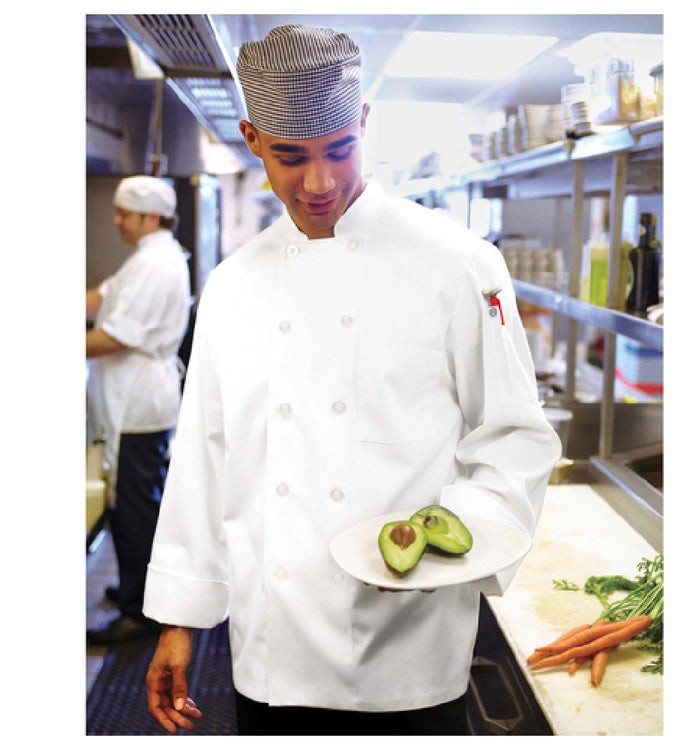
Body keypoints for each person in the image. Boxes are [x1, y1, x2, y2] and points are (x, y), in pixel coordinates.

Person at [143, 25, 560, 735]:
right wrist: (179, 617)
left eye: (339, 148)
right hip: (273, 651)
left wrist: (451, 540)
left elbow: (513, 435)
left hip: (412, 646)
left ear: (364, 121)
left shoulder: (457, 262)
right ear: (252, 139)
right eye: (291, 156)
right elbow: (205, 460)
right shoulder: (232, 286)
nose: (320, 182)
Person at [86, 176, 191, 645]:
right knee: (132, 504)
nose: (116, 221)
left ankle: (141, 612)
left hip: (138, 404)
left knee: (133, 510)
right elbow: (101, 298)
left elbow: (115, 336)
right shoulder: (148, 257)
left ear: (150, 217)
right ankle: (136, 588)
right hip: (133, 402)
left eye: (123, 214)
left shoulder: (156, 263)